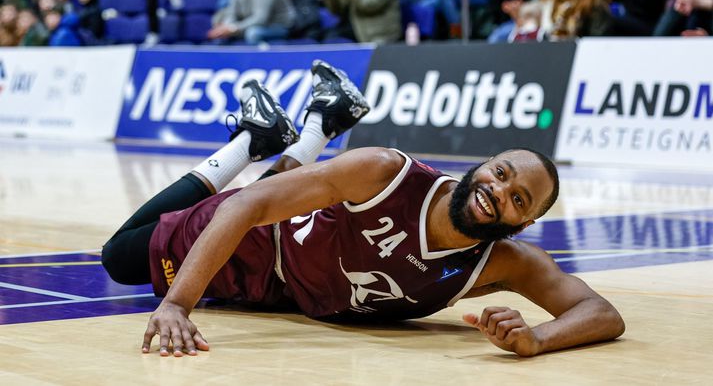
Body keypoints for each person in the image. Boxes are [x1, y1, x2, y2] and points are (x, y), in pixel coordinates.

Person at [101, 60, 625, 358]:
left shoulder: (504, 262)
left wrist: (536, 338)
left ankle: (301, 130)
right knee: (118, 260)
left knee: (304, 191)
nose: (499, 192)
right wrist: (176, 304)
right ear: (485, 165)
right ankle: (247, 142)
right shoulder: (385, 171)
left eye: (518, 200)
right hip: (259, 239)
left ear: (524, 223)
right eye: (502, 174)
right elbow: (251, 203)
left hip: (284, 297)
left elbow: (602, 314)